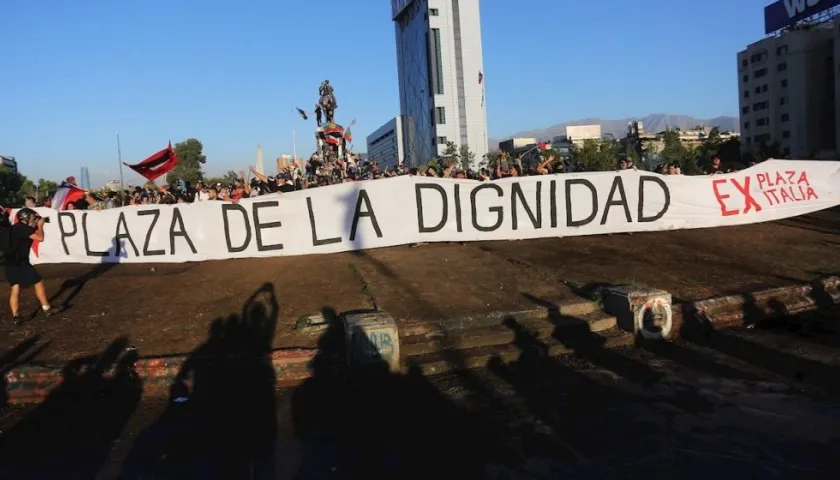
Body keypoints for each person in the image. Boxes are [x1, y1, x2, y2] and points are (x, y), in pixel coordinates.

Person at [5, 208, 60, 325]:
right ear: (25, 218)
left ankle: (16, 317)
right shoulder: (23, 228)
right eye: (31, 217)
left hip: (10, 262)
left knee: (15, 288)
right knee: (38, 281)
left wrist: (37, 224)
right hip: (20, 262)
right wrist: (40, 226)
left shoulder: (16, 228)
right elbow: (40, 238)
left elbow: (28, 231)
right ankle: (47, 308)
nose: (33, 219)